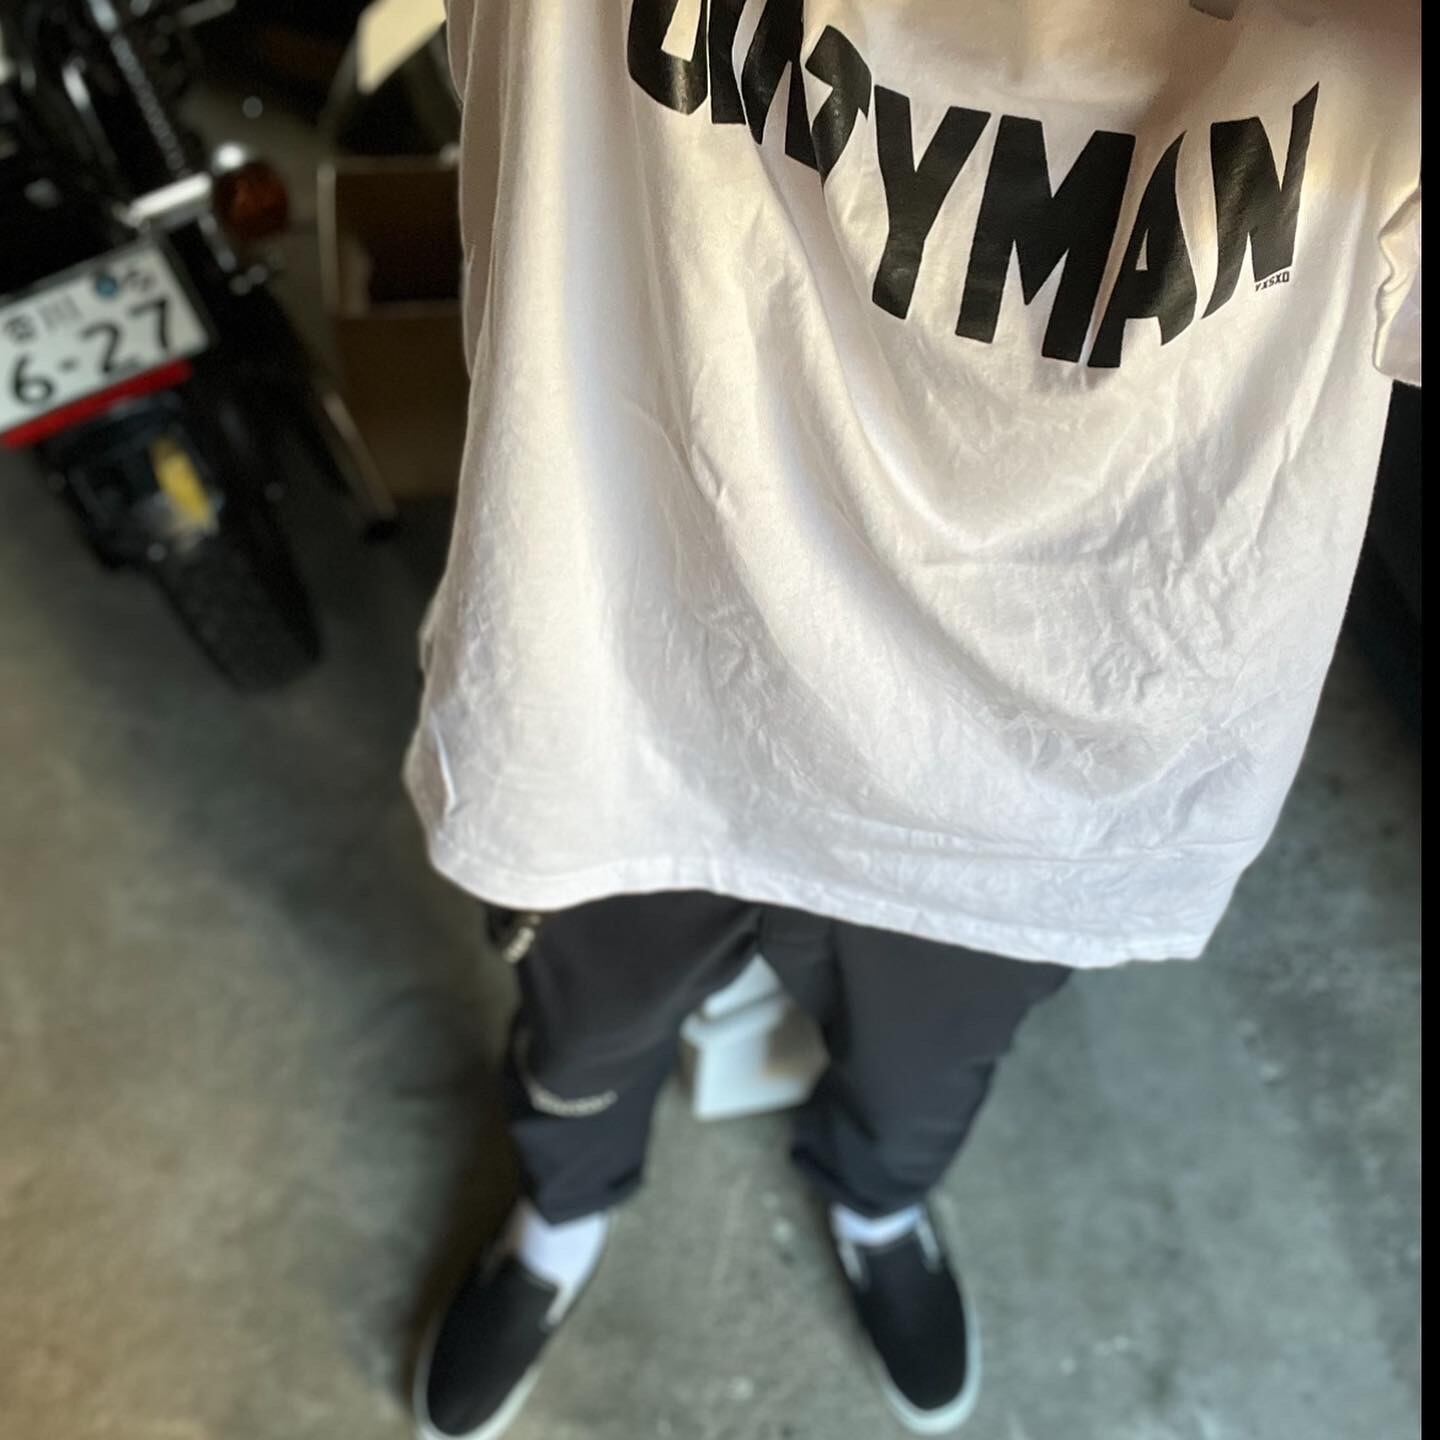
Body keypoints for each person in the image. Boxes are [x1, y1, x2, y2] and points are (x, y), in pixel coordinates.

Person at [403, 2, 1421, 1436]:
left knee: (919, 1087)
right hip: (628, 650)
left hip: (1028, 755)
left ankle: (875, 1205)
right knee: (580, 1041)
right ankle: (561, 1214)